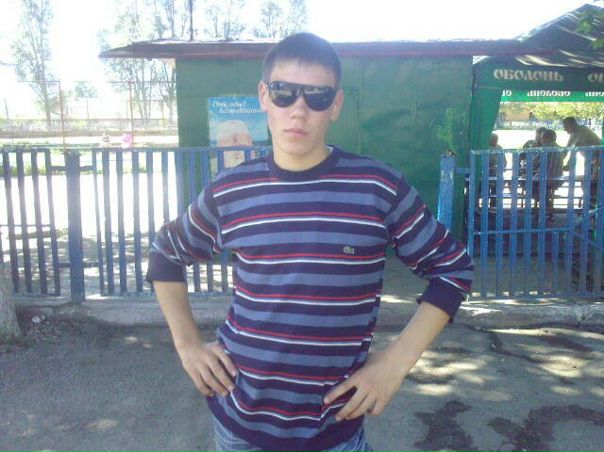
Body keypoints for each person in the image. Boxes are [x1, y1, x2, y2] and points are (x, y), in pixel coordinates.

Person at [146, 32, 473, 452]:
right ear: (263, 96)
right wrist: (188, 344)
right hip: (238, 420)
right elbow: (166, 253)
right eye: (283, 93)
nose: (298, 110)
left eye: (317, 97)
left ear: (336, 105)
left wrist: (395, 363)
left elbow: (453, 268)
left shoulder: (377, 187)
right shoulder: (231, 190)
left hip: (333, 428)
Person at [562, 116, 601, 208]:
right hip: (591, 160)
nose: (565, 129)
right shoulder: (573, 133)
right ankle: (590, 204)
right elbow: (567, 148)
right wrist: (560, 160)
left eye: (566, 127)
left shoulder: (582, 130)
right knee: (586, 182)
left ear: (573, 124)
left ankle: (593, 205)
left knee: (593, 182)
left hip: (598, 159)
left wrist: (569, 163)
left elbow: (577, 145)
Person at [531, 129, 565, 217]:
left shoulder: (544, 148)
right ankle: (545, 202)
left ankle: (545, 203)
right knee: (541, 189)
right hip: (558, 179)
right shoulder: (560, 148)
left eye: (542, 138)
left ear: (546, 138)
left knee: (527, 184)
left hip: (545, 178)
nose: (541, 140)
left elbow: (534, 163)